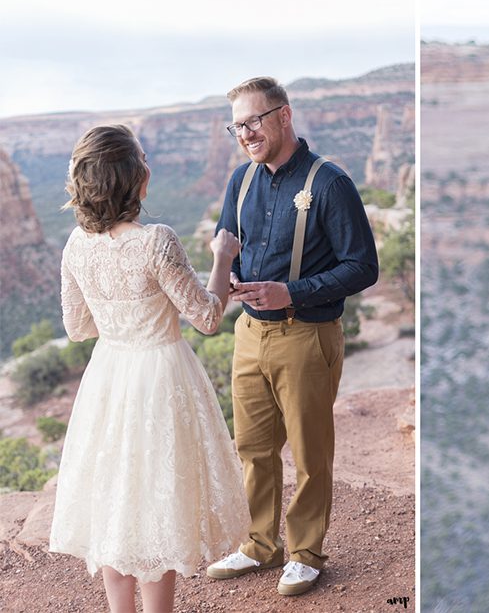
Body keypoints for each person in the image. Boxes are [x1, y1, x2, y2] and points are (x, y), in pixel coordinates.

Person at [49, 124, 249, 613]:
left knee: (114, 505)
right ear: (134, 178)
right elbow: (205, 317)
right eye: (142, 158)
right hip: (160, 379)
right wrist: (223, 258)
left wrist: (120, 313)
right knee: (156, 507)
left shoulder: (76, 245)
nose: (149, 164)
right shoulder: (157, 241)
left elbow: (77, 328)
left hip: (108, 377)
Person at [206, 77, 378, 596]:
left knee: (309, 452)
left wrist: (292, 292)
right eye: (237, 125)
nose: (245, 133)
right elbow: (228, 243)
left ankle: (305, 553)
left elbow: (363, 267)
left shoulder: (329, 183)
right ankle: (260, 545)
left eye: (254, 121)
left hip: (307, 334)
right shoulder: (241, 180)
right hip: (249, 334)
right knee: (253, 448)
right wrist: (229, 275)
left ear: (284, 116)